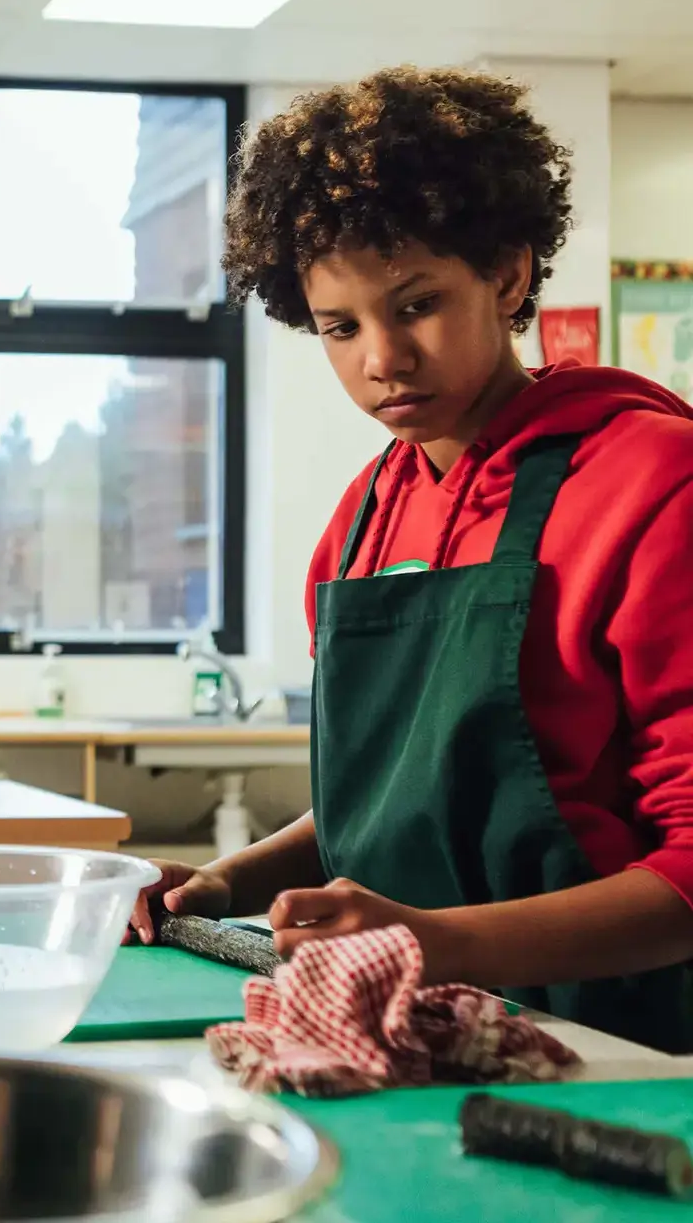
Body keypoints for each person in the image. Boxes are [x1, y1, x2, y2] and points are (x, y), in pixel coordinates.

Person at [127, 66, 693, 1051]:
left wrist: (439, 942)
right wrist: (226, 883)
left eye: (417, 304)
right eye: (340, 327)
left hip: (625, 1046)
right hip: (408, 1033)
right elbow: (392, 800)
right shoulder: (360, 524)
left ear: (509, 276)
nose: (381, 359)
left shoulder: (653, 481)